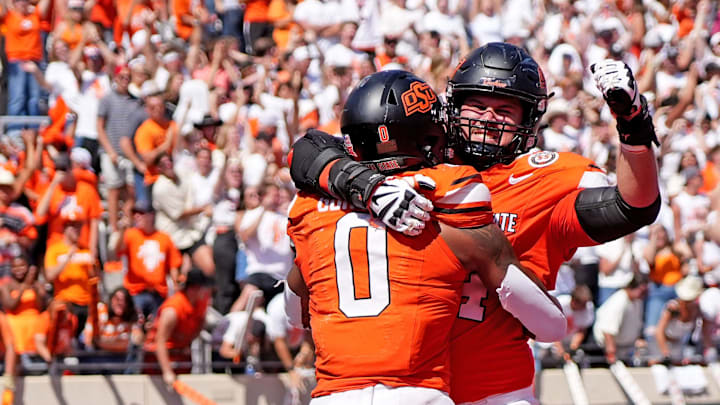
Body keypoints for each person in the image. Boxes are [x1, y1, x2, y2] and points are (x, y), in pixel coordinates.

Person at [287, 43, 661, 404]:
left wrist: (633, 127)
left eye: (505, 109)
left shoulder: (544, 177)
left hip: (494, 390)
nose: (488, 118)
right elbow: (310, 149)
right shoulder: (413, 162)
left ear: (528, 119)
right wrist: (367, 186)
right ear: (452, 107)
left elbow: (634, 205)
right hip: (415, 383)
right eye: (477, 104)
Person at [286, 70, 565, 403]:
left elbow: (292, 312)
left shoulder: (308, 204)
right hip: (418, 393)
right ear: (426, 136)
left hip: (334, 395)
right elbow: (551, 327)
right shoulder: (451, 191)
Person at [143, 268, 213, 388]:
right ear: (193, 289)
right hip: (159, 361)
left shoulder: (200, 303)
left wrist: (188, 341)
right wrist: (167, 371)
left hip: (182, 357)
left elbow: (200, 323)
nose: (207, 292)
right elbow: (160, 341)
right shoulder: (173, 309)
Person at [593, 272, 649, 364]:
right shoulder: (619, 300)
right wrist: (611, 353)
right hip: (610, 351)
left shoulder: (637, 301)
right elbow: (607, 330)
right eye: (642, 291)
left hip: (627, 351)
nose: (644, 294)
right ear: (632, 287)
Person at [650, 275, 704, 365]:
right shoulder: (672, 308)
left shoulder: (697, 310)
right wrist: (666, 353)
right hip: (661, 346)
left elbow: (697, 334)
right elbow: (659, 331)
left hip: (679, 348)